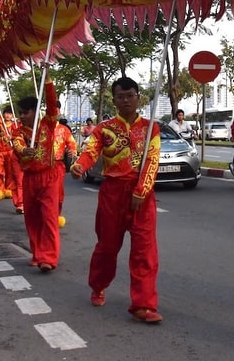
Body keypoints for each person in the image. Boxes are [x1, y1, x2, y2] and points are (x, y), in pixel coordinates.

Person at [70, 76, 163, 324]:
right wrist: (79, 166)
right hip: (112, 192)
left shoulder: (151, 127)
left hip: (142, 195)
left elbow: (152, 160)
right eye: (120, 96)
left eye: (130, 95)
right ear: (114, 100)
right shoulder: (104, 128)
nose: (126, 100)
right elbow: (90, 150)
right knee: (107, 246)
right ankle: (98, 284)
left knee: (145, 250)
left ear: (138, 97)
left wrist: (140, 191)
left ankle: (144, 304)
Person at [11, 85, 67, 272]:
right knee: (32, 219)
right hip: (30, 178)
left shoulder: (48, 123)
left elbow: (52, 104)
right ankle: (37, 254)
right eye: (20, 113)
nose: (22, 116)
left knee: (49, 217)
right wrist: (24, 150)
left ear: (35, 111)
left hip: (49, 176)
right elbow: (18, 146)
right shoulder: (18, 132)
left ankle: (48, 258)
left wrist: (49, 80)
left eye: (25, 112)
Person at [0, 106, 20, 204]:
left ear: (12, 115)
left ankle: (8, 188)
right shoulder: (0, 124)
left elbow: (18, 135)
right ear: (3, 114)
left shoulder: (15, 125)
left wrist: (12, 137)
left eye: (10, 114)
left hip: (10, 151)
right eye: (6, 113)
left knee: (10, 171)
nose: (8, 115)